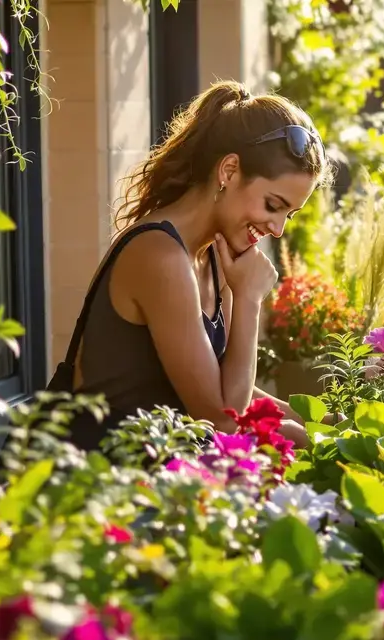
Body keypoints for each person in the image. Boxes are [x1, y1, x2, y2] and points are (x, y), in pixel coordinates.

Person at [68, 80, 328, 450]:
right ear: (229, 171)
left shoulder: (213, 255)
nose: (277, 228)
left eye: (289, 214)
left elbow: (229, 388)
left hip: (164, 463)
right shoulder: (160, 255)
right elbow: (223, 418)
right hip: (106, 474)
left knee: (301, 440)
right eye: (273, 205)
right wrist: (249, 299)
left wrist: (327, 427)